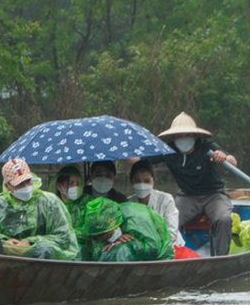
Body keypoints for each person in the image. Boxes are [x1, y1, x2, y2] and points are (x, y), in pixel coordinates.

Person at [155, 112, 238, 256]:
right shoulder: (168, 150)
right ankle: (167, 255)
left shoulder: (206, 147)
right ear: (173, 137)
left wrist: (223, 157)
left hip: (214, 195)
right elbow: (139, 160)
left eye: (187, 135)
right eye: (179, 136)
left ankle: (221, 258)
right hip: (187, 196)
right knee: (167, 221)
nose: (183, 139)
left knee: (224, 220)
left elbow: (233, 161)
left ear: (194, 135)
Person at [0, 158, 79, 260]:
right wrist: (4, 243)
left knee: (44, 248)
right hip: (6, 261)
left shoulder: (49, 202)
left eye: (28, 181)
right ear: (7, 186)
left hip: (46, 264)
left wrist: (31, 243)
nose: (26, 187)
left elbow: (63, 236)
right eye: (19, 184)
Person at [80, 197, 174, 262]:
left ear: (114, 225)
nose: (100, 239)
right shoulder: (99, 225)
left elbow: (153, 249)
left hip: (161, 255)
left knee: (120, 251)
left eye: (103, 235)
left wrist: (129, 242)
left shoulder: (134, 219)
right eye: (96, 237)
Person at [128, 159, 185, 247]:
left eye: (147, 181)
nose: (142, 185)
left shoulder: (166, 199)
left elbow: (172, 233)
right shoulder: (128, 204)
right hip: (139, 248)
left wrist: (153, 245)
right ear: (131, 182)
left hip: (169, 247)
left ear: (153, 181)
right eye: (137, 181)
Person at [49, 164, 92, 246]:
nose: (75, 187)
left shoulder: (87, 203)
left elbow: (89, 230)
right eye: (71, 183)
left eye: (78, 183)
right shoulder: (51, 206)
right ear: (58, 186)